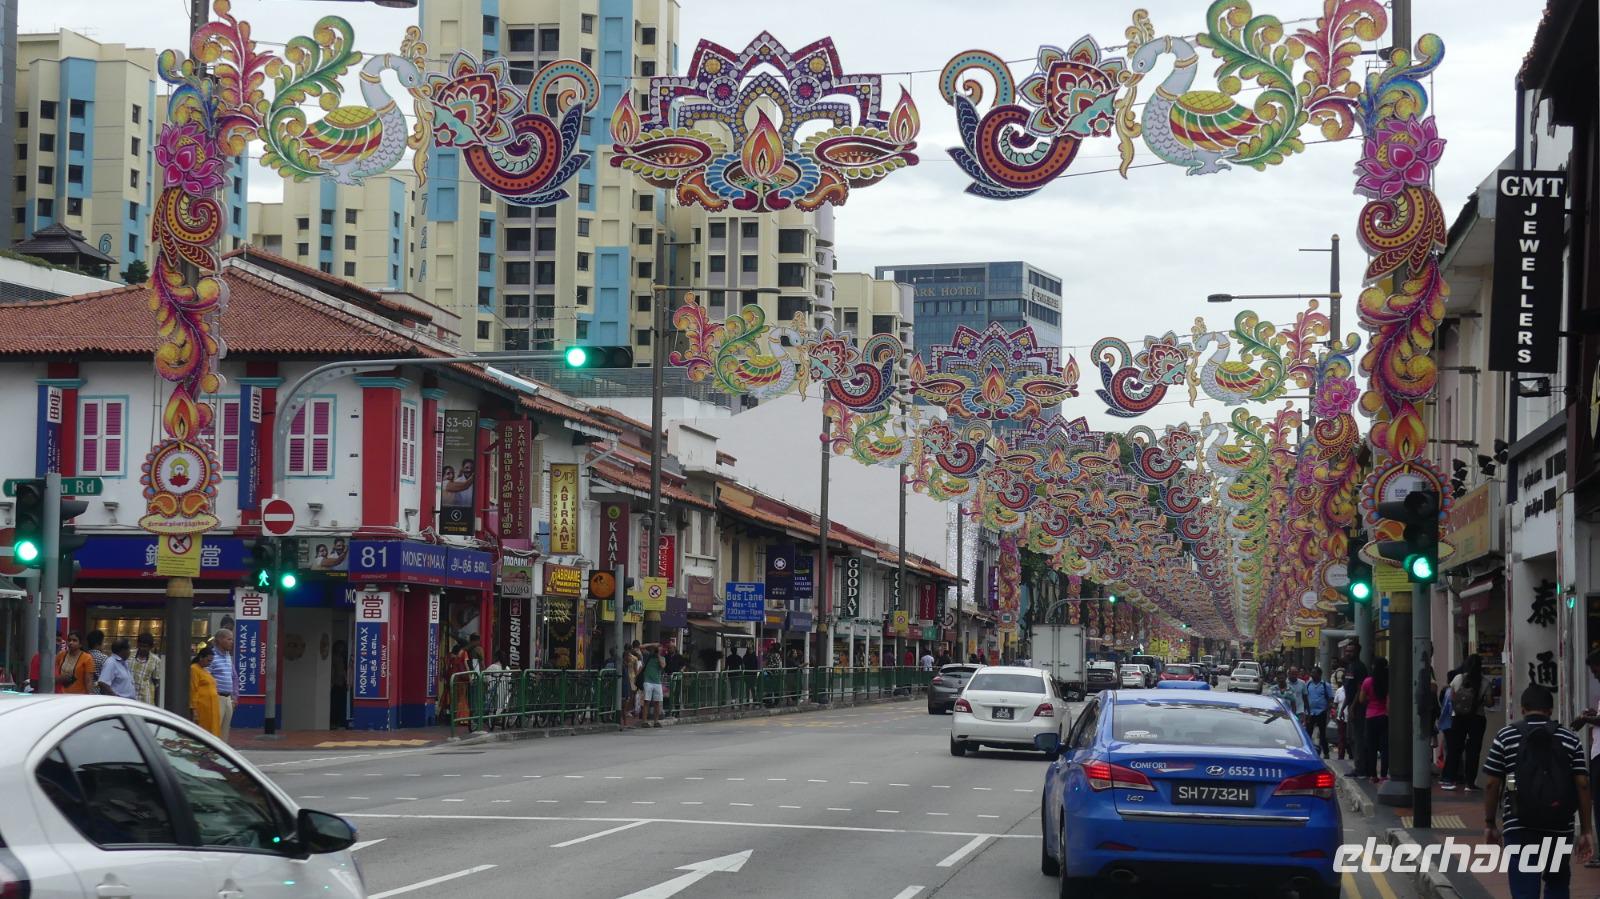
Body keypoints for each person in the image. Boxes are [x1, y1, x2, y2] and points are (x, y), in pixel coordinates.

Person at [1483, 684, 1594, 899]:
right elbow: (1582, 784)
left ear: (1523, 709)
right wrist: (1587, 830)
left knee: (1524, 885)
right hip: (1560, 825)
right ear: (1550, 711)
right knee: (1557, 883)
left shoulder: (1505, 736)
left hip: (1518, 824)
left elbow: (1491, 784)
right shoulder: (1570, 739)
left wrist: (1490, 824)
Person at [1444, 654, 1490, 791]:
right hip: (1477, 718)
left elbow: (1450, 696)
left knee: (1454, 748)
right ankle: (1470, 783)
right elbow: (1489, 702)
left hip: (1458, 717)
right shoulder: (1485, 682)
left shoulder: (1458, 678)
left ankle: (1449, 780)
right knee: (1473, 750)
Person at [1342, 639, 1371, 775]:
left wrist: (1353, 707)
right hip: (1350, 706)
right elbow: (1348, 689)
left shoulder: (1359, 667)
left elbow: (1360, 689)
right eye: (1347, 651)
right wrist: (1343, 707)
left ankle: (1361, 768)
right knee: (1351, 738)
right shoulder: (1349, 667)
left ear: (1357, 652)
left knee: (1358, 737)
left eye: (1351, 651)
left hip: (1358, 708)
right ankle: (1358, 765)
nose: (1348, 653)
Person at [1361, 656, 1391, 783]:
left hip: (1370, 716)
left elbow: (1361, 700)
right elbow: (1389, 700)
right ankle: (1384, 774)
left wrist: (1371, 701)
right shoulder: (1388, 681)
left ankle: (1373, 775)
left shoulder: (1368, 682)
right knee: (1385, 747)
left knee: (1371, 747)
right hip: (1384, 716)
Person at [209, 628, 237, 741]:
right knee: (214, 731)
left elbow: (233, 677)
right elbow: (206, 678)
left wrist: (234, 697)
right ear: (220, 640)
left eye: (232, 639)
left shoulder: (227, 656)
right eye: (229, 639)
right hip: (217, 697)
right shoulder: (211, 656)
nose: (232, 642)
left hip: (227, 699)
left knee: (225, 733)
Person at [190, 646, 222, 737]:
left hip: (212, 706)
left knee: (212, 729)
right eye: (208, 660)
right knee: (204, 731)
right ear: (201, 658)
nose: (209, 663)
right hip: (202, 706)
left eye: (211, 661)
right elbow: (193, 689)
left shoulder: (204, 670)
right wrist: (194, 709)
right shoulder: (194, 669)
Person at [1304, 666, 1335, 758]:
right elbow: (1305, 697)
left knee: (1322, 735)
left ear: (1319, 674)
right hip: (1310, 713)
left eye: (1314, 672)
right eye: (1311, 672)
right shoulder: (1308, 684)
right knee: (1308, 733)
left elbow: (1330, 698)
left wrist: (1328, 710)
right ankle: (1307, 752)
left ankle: (1326, 753)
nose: (1312, 674)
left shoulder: (1325, 685)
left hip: (1321, 713)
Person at [637, 642, 665, 728]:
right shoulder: (648, 656)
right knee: (647, 701)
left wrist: (658, 655)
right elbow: (640, 647)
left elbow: (662, 665)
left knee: (657, 702)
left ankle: (656, 721)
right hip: (648, 681)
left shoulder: (662, 658)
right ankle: (644, 721)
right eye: (658, 648)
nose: (658, 649)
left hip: (657, 682)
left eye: (659, 648)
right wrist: (653, 644)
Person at [129, 632, 162, 706]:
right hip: (129, 698)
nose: (142, 649)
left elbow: (156, 683)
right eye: (140, 646)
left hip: (146, 700)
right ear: (137, 644)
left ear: (151, 647)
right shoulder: (129, 655)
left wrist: (157, 705)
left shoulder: (156, 660)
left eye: (145, 646)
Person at [329, 639, 349, 729]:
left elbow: (343, 671)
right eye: (340, 648)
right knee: (335, 704)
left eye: (342, 648)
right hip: (337, 684)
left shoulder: (344, 658)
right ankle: (335, 722)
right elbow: (336, 671)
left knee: (341, 704)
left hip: (342, 684)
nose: (341, 650)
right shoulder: (334, 658)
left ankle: (340, 722)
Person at [1333, 670, 1349, 760]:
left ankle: (1352, 756)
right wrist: (1335, 714)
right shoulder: (1339, 691)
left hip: (1351, 718)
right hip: (1341, 718)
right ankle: (1340, 757)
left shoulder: (1353, 690)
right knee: (1341, 738)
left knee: (1350, 739)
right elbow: (1335, 704)